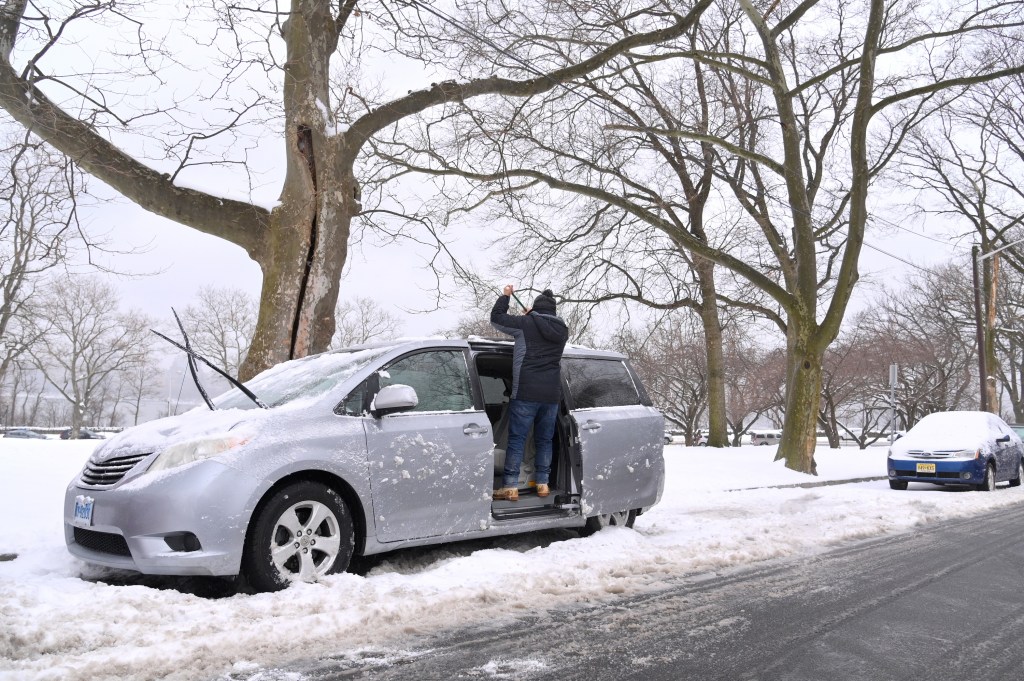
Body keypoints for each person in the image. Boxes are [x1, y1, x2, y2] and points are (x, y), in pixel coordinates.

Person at [490, 284, 569, 501]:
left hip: (525, 391)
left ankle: (510, 486)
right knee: (545, 440)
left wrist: (506, 297)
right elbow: (544, 326)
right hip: (551, 395)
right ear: (553, 311)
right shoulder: (562, 330)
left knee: (517, 439)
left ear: (535, 308)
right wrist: (533, 317)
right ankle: (543, 484)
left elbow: (497, 318)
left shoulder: (526, 324)